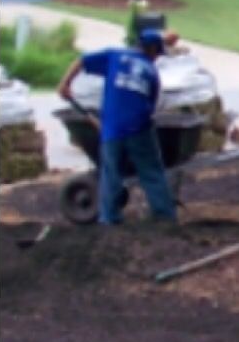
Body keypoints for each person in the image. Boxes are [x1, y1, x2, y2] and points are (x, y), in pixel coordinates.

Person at [58, 28, 176, 225]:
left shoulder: (115, 56)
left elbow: (82, 61)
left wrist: (65, 84)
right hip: (139, 129)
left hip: (112, 129)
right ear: (152, 50)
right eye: (157, 53)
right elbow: (152, 105)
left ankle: (109, 219)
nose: (157, 58)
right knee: (151, 172)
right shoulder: (151, 71)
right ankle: (164, 217)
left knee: (111, 174)